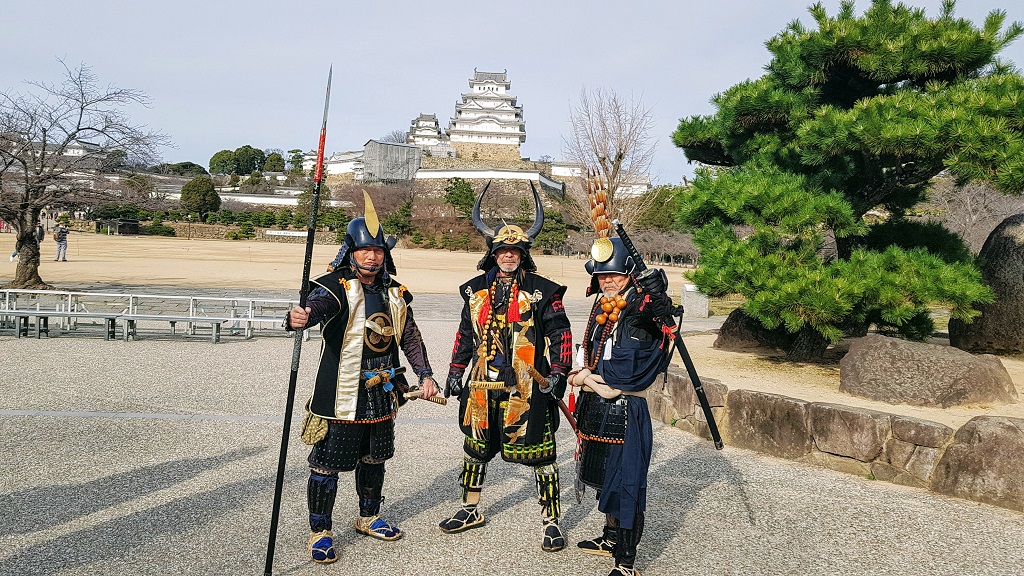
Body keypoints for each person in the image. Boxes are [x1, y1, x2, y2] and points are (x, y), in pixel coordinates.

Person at [285, 193, 439, 564]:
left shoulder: (395, 293)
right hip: (342, 391)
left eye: (378, 251)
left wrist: (425, 373)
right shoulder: (336, 286)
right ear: (350, 251)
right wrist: (302, 316)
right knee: (326, 462)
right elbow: (319, 307)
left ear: (385, 254)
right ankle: (320, 530)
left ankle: (368, 516)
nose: (372, 257)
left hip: (383, 389)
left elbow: (410, 336)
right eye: (365, 250)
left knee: (375, 459)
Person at [440, 182, 573, 552]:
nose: (509, 256)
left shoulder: (544, 291)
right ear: (493, 253)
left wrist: (559, 373)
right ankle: (470, 509)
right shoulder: (474, 291)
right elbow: (465, 333)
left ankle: (552, 521)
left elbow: (562, 334)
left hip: (529, 384)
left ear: (524, 255)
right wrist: (455, 370)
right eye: (503, 251)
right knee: (475, 448)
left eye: (515, 251)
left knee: (541, 452)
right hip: (482, 382)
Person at [569, 236, 674, 576]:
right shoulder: (603, 308)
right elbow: (592, 354)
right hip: (597, 406)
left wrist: (657, 293)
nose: (608, 281)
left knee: (627, 483)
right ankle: (610, 537)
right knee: (602, 475)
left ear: (629, 275)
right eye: (602, 276)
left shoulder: (640, 308)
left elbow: (662, 316)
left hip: (628, 408)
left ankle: (626, 562)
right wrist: (582, 376)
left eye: (614, 275)